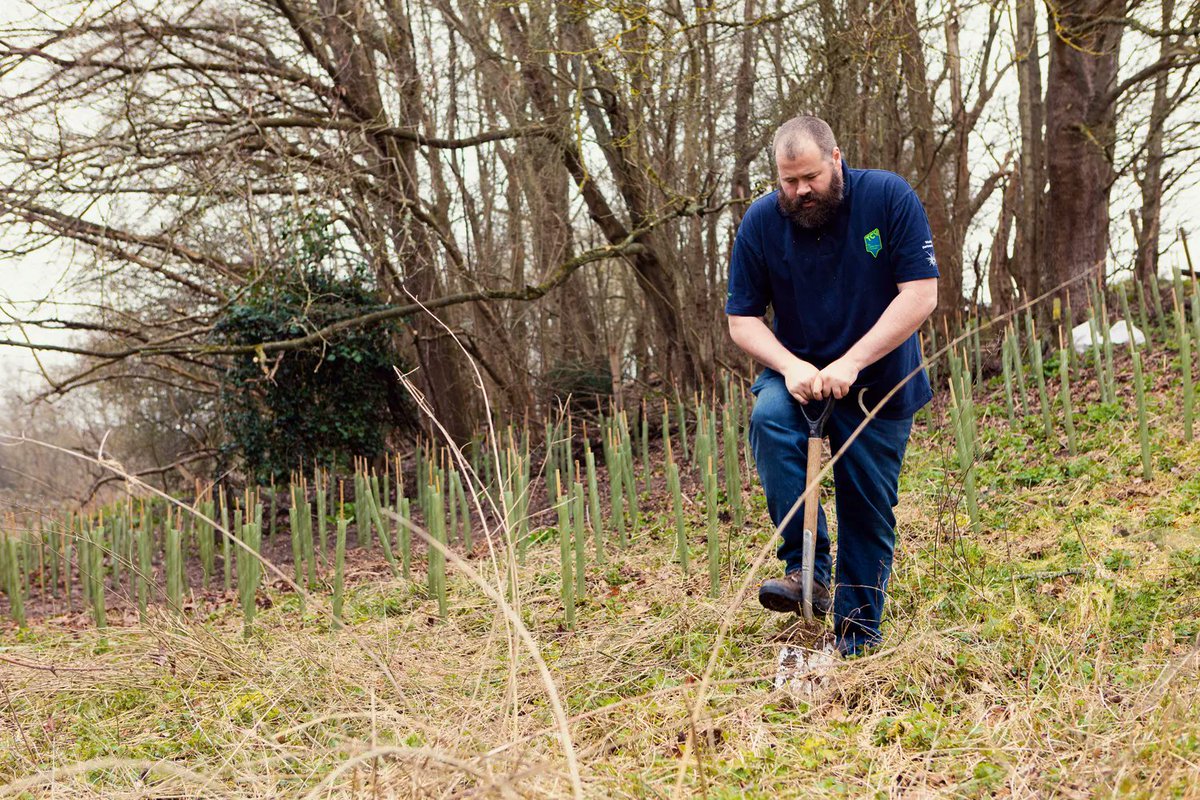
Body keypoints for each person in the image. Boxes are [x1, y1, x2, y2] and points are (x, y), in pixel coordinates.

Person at [725, 115, 939, 656]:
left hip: (877, 384)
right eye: (788, 181)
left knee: (866, 508)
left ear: (837, 158)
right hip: (799, 382)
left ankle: (856, 641)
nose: (800, 191)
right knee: (769, 418)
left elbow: (920, 294)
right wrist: (790, 366)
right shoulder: (760, 224)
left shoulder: (888, 198)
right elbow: (742, 320)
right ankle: (807, 572)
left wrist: (852, 361)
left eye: (811, 177)